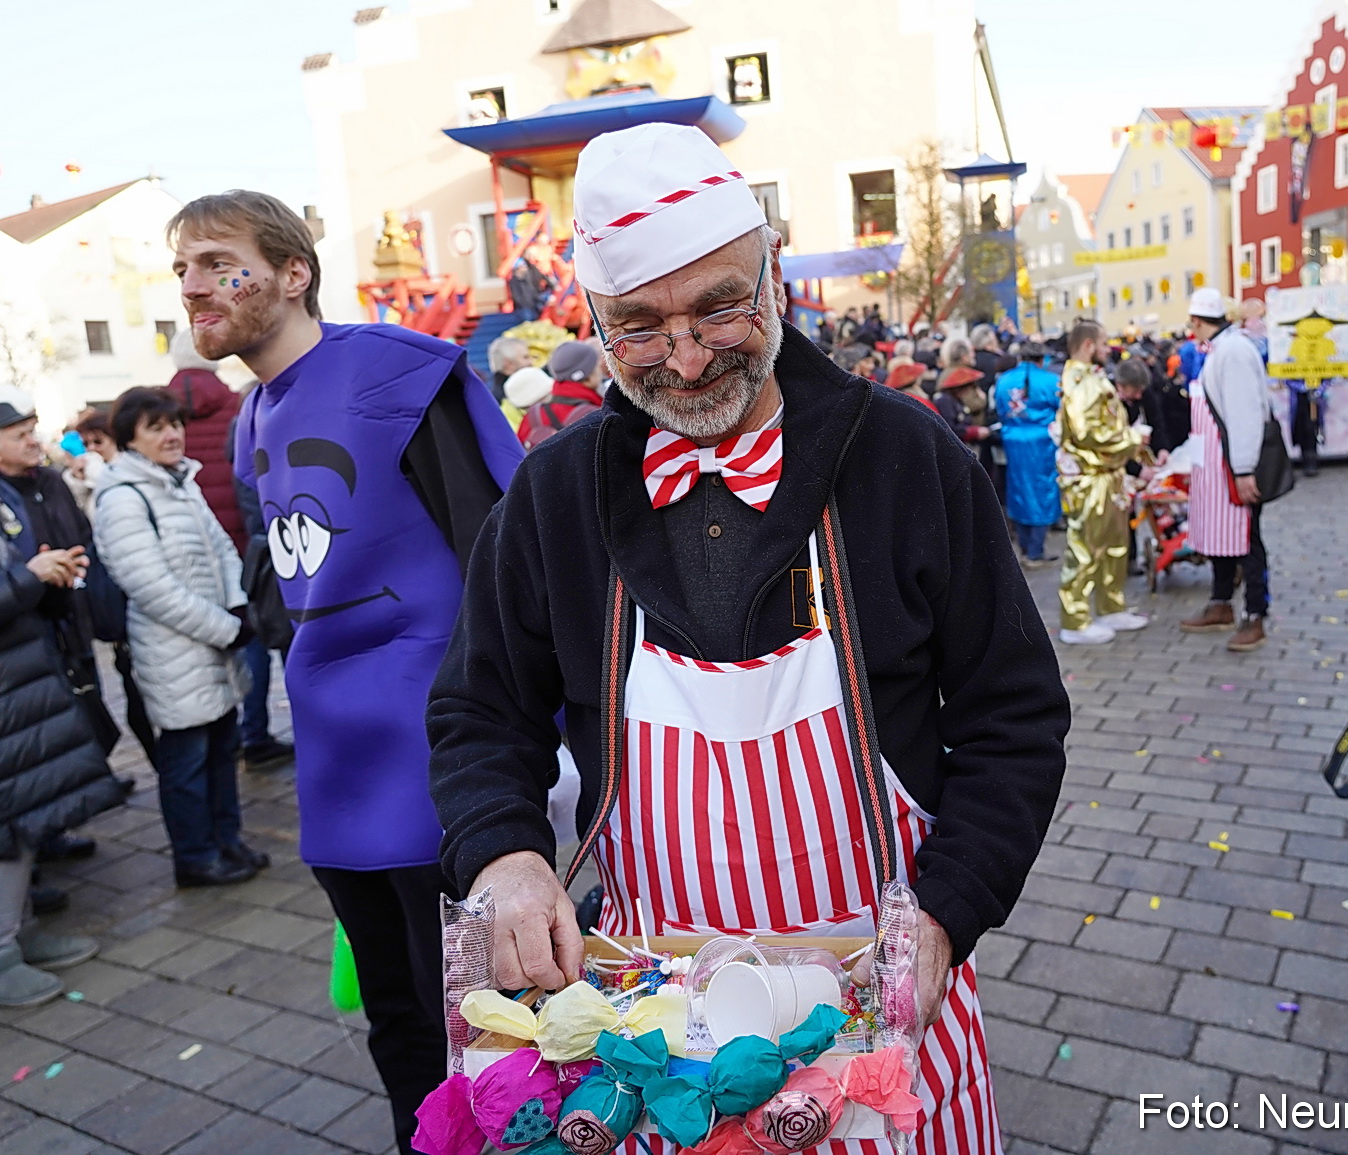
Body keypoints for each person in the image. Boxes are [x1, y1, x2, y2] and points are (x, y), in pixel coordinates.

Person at [427, 122, 1068, 1155]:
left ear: (772, 275)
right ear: (592, 321)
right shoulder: (554, 495)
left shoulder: (908, 458)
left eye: (717, 307)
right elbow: (480, 708)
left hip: (885, 998)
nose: (683, 360)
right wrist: (503, 853)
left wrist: (948, 908)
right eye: (638, 327)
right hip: (656, 1027)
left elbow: (1014, 718)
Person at [170, 189, 524, 1151]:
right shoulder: (252, 416)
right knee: (397, 1024)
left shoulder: (396, 371)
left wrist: (535, 743)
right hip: (334, 768)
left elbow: (501, 553)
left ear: (294, 273)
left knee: (485, 1026)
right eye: (182, 270)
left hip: (439, 761)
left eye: (215, 261)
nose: (193, 285)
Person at [0, 409, 122, 1004]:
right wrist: (29, 578)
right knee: (4, 829)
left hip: (3, 688)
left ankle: (20, 933)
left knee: (25, 815)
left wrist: (46, 577)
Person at [95, 388, 263, 889]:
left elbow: (221, 548)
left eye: (174, 424)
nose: (172, 435)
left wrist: (236, 602)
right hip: (173, 651)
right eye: (156, 427)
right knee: (186, 763)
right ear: (130, 438)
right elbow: (151, 588)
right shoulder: (124, 496)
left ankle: (227, 841)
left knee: (220, 750)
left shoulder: (179, 481)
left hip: (213, 642)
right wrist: (226, 628)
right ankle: (196, 856)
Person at [0, 395, 121, 843]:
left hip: (75, 618)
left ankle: (88, 786)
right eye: (18, 435)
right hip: (35, 626)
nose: (31, 441)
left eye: (32, 431)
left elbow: (81, 534)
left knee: (90, 705)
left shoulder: (51, 479)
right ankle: (53, 831)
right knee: (51, 726)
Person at [164, 331, 292, 773]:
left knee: (228, 642)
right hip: (249, 548)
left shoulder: (160, 415)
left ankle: (240, 732)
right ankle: (264, 735)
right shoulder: (238, 409)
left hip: (193, 550)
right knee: (270, 640)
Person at [1179, 287, 1274, 652]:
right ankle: (1221, 604)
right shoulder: (1219, 349)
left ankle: (1255, 614)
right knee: (1221, 538)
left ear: (1200, 322)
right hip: (1216, 467)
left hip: (1233, 466)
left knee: (1246, 540)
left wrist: (1244, 468)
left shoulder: (1233, 352)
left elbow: (1245, 414)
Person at [1056, 322, 1150, 645]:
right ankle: (1076, 619)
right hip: (1091, 477)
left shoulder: (1090, 377)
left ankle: (1111, 606)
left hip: (1108, 476)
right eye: (1103, 342)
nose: (1108, 348)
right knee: (1086, 547)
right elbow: (1086, 433)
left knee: (1114, 544)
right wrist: (1131, 439)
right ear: (1087, 345)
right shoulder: (1080, 381)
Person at [994, 339, 1062, 565]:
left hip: (1013, 441)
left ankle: (1025, 547)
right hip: (1043, 441)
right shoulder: (1052, 381)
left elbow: (1000, 409)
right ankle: (1035, 549)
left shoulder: (1004, 381)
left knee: (1018, 489)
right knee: (1043, 489)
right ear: (1041, 359)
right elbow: (1063, 408)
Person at [516, 339, 603, 449]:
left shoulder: (533, 415)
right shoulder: (596, 415)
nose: (600, 372)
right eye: (596, 366)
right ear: (588, 378)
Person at [486, 336, 531, 407]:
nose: (531, 362)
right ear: (509, 364)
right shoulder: (505, 401)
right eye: (525, 357)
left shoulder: (492, 398)